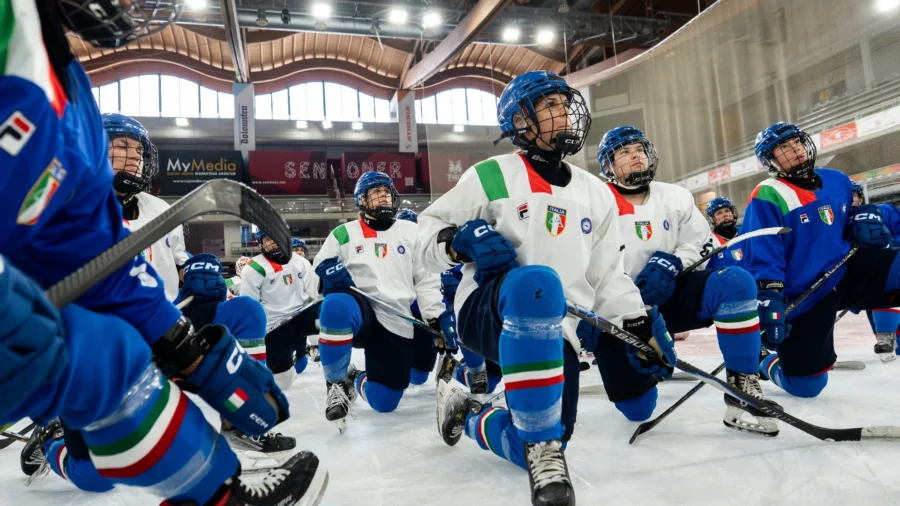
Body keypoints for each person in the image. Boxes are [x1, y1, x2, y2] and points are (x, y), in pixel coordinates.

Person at [0, 2, 325, 505]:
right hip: (40, 308)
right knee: (85, 359)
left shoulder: (67, 85)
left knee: (110, 354)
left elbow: (84, 250)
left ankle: (216, 491)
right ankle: (65, 441)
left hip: (103, 308)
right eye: (120, 149)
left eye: (135, 150)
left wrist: (181, 345)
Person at [417, 71, 673, 506]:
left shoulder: (596, 192)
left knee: (543, 436)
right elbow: (425, 236)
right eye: (550, 106)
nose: (565, 115)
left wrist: (638, 322)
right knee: (536, 284)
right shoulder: (490, 175)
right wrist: (456, 242)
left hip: (560, 328)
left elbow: (607, 274)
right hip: (487, 311)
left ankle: (475, 413)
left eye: (565, 105)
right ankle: (537, 435)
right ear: (521, 120)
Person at [21, 254, 294, 487]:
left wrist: (200, 271)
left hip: (163, 323)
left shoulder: (145, 211)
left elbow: (185, 260)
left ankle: (240, 427)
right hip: (101, 359)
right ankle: (51, 441)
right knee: (96, 476)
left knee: (246, 310)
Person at [595, 126, 776, 435]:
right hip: (619, 312)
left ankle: (743, 383)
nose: (635, 155)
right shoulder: (595, 201)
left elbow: (699, 242)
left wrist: (674, 262)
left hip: (671, 295)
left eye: (639, 149)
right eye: (624, 152)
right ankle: (641, 373)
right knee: (637, 409)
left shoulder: (676, 196)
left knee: (735, 282)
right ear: (609, 166)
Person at [742, 122, 898, 398]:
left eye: (796, 143)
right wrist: (769, 295)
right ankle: (764, 361)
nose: (794, 151)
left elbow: (851, 215)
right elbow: (763, 250)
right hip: (805, 295)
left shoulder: (836, 179)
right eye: (783, 148)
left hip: (846, 270)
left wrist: (865, 216)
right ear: (771, 160)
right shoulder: (768, 193)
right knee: (807, 386)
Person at [313, 172, 443, 433]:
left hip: (396, 319)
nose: (383, 197)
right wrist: (326, 279)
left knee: (385, 403)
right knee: (336, 303)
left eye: (386, 192)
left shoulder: (412, 231)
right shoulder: (342, 234)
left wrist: (436, 317)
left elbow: (426, 280)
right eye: (376, 193)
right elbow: (316, 273)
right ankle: (336, 384)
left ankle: (355, 378)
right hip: (360, 314)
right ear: (362, 200)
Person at [104, 112, 188, 302]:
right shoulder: (72, 207)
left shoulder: (162, 209)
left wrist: (196, 271)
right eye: (123, 146)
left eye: (141, 151)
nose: (135, 157)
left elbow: (178, 260)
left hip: (166, 316)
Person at [241, 230, 319, 388]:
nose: (272, 242)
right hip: (276, 326)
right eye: (267, 239)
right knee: (283, 382)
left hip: (303, 314)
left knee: (333, 314)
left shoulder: (300, 262)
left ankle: (338, 372)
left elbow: (315, 292)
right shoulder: (253, 268)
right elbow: (250, 306)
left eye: (275, 236)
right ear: (261, 244)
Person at [394, 208, 447, 386]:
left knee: (418, 378)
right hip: (397, 318)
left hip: (423, 320)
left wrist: (439, 320)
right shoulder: (391, 253)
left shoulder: (432, 250)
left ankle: (449, 366)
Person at [851, 181, 900, 358]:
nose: (851, 199)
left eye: (854, 195)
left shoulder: (882, 211)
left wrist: (890, 248)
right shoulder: (832, 224)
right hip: (857, 279)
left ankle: (886, 335)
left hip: (886, 273)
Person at [705, 196, 744, 270]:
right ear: (712, 219)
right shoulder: (710, 242)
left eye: (727, 211)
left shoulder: (745, 232)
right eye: (719, 213)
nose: (725, 215)